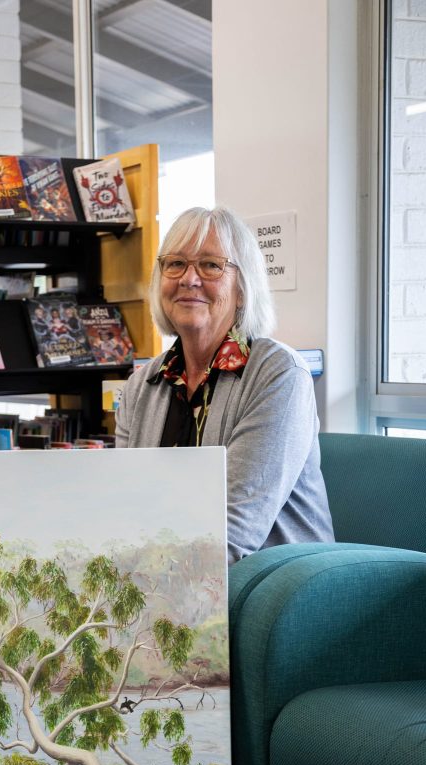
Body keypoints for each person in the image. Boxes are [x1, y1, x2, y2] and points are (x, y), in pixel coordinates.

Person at [115, 205, 334, 563]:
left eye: (211, 265)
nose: (189, 279)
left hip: (270, 588)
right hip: (167, 578)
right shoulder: (142, 385)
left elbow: (235, 530)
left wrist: (136, 584)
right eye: (175, 264)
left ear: (242, 289)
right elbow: (125, 506)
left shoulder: (278, 374)